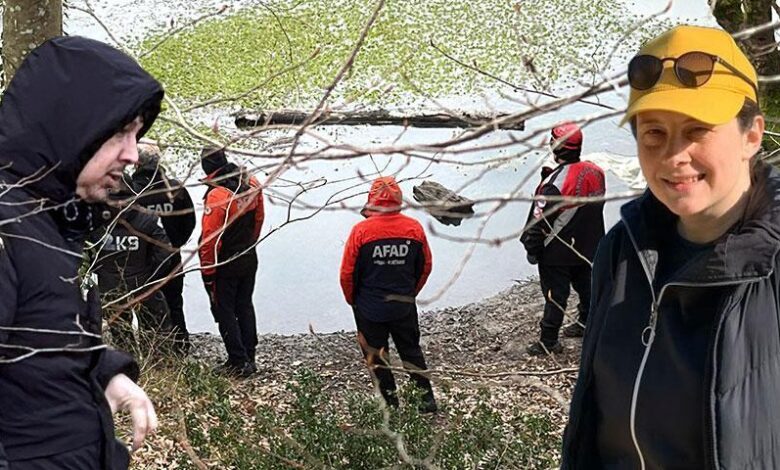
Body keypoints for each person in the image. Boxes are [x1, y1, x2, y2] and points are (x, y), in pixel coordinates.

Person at [562, 25, 775, 469]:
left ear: (752, 136)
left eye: (697, 130)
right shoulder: (623, 250)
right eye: (654, 133)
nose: (674, 155)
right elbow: (594, 419)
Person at [0, 36, 163, 469]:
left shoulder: (50, 220)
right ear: (71, 128)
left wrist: (106, 374)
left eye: (137, 133)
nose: (133, 154)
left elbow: (40, 339)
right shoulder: (7, 228)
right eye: (119, 133)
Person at [340, 176, 437, 413]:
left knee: (377, 357)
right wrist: (411, 293)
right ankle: (426, 400)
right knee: (411, 350)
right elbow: (425, 267)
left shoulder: (360, 231)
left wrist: (353, 300)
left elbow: (347, 274)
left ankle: (390, 403)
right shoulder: (413, 228)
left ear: (371, 200)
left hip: (370, 308)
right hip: (403, 305)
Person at [520, 123, 606, 356]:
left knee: (555, 296)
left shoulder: (553, 185)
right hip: (590, 246)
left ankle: (549, 341)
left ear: (555, 146)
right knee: (586, 287)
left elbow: (537, 224)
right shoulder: (596, 172)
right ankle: (586, 323)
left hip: (557, 251)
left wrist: (532, 249)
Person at [199, 147, 264, 378]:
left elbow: (209, 240)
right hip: (248, 254)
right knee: (245, 304)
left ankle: (237, 361)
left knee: (224, 309)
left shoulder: (218, 195)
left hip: (225, 261)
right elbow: (258, 219)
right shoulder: (252, 183)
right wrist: (250, 244)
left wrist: (208, 272)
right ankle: (250, 355)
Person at [91, 177, 175, 352]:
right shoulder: (147, 218)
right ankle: (157, 370)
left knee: (121, 337)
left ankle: (129, 367)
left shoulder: (95, 220)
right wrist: (153, 276)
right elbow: (166, 252)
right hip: (143, 284)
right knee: (155, 333)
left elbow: (81, 251)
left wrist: (97, 269)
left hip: (110, 287)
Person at [131, 144, 196, 353]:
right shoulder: (175, 189)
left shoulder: (132, 190)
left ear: (137, 163)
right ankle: (180, 347)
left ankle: (153, 352)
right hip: (172, 257)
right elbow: (190, 222)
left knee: (146, 306)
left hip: (140, 260)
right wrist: (175, 243)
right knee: (175, 303)